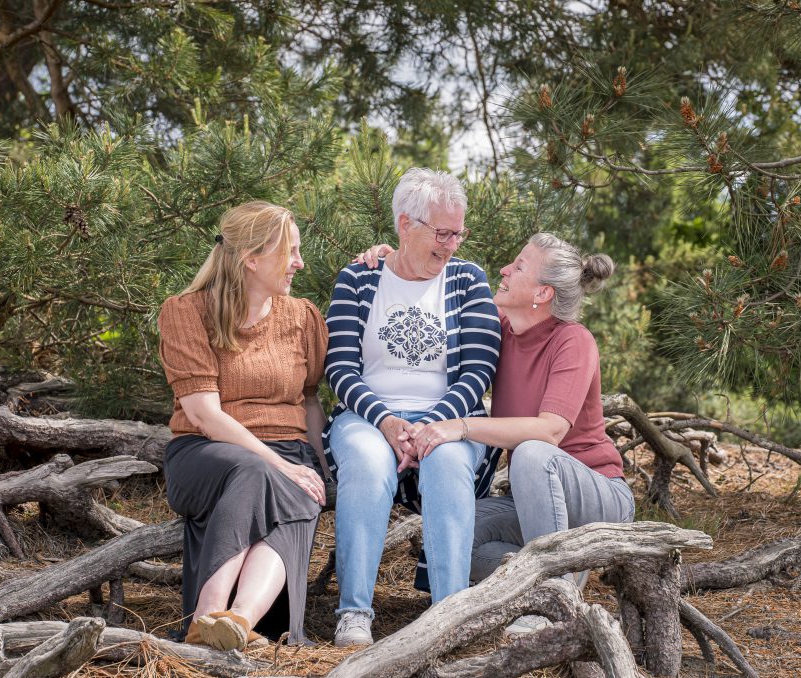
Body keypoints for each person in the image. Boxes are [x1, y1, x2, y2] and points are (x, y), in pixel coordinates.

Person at [360, 232, 635, 634]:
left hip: (598, 499)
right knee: (455, 536)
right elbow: (441, 296)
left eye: (519, 266)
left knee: (531, 452)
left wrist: (461, 426)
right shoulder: (499, 327)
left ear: (542, 293)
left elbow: (551, 430)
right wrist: (402, 262)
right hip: (533, 502)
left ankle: (551, 597)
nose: (504, 270)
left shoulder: (573, 341)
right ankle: (542, 576)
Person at [324, 168, 502, 647]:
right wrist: (386, 421)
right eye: (441, 233)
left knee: (445, 462)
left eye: (458, 233)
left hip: (452, 421)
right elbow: (339, 368)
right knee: (364, 458)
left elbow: (478, 371)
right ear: (405, 225)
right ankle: (355, 612)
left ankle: (449, 613)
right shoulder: (358, 280)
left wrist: (426, 426)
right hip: (367, 416)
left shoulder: (469, 280)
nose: (451, 245)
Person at [157, 201, 328, 651]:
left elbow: (310, 398)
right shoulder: (186, 312)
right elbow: (204, 415)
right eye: (290, 251)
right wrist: (283, 467)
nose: (299, 262)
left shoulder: (302, 317)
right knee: (260, 472)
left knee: (299, 495)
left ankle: (237, 622)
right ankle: (206, 612)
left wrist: (318, 467)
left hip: (286, 450)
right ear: (252, 258)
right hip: (204, 454)